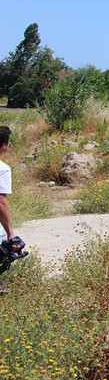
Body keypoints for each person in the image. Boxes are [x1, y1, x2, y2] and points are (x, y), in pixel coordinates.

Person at [0, 126, 24, 295]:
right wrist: (10, 232)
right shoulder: (2, 169)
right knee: (7, 249)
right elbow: (1, 202)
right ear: (4, 145)